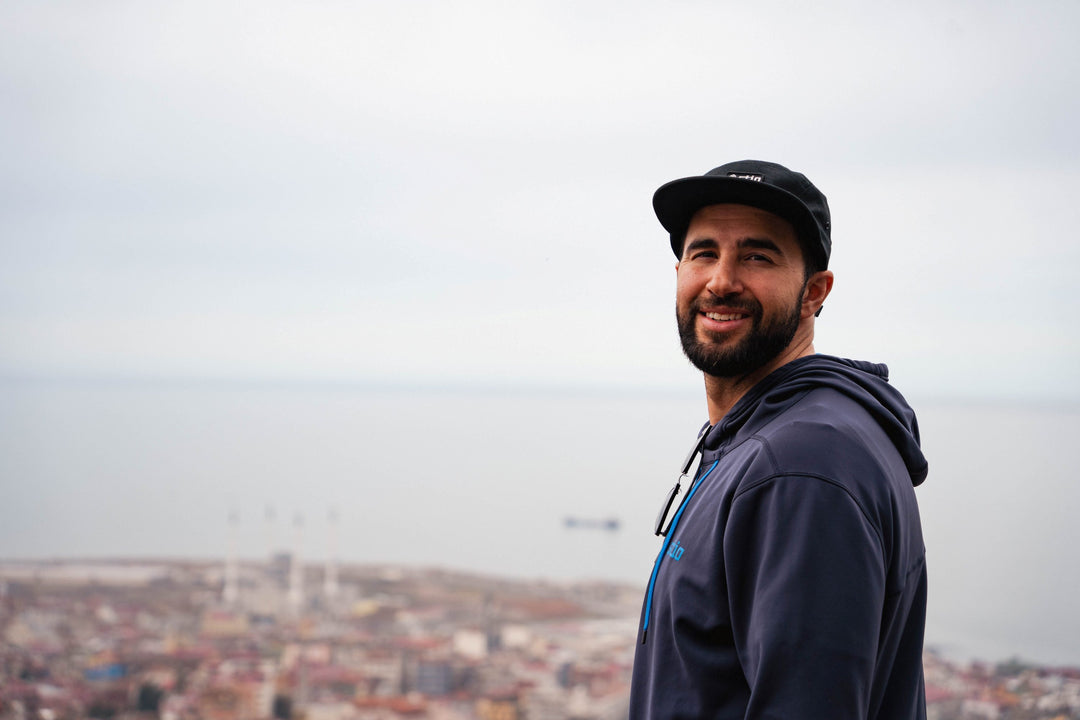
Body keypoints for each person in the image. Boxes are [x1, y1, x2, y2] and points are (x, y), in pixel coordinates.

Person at [629, 160, 929, 719]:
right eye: (704, 253)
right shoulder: (770, 436)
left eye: (757, 256)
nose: (721, 280)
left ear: (815, 292)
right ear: (678, 274)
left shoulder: (800, 464)